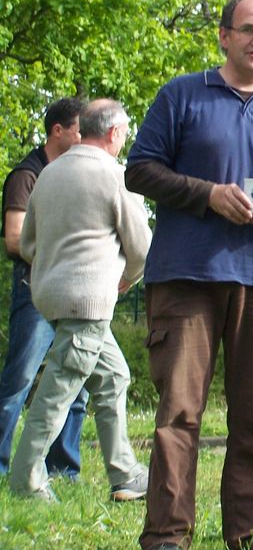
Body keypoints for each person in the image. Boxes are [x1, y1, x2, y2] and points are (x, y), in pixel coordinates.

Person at [126, 0, 253, 550]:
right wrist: (208, 195)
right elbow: (139, 171)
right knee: (179, 414)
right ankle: (167, 536)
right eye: (248, 29)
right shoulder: (182, 95)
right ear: (224, 36)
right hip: (185, 276)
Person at [9, 99, 151, 503]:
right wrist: (126, 278)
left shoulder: (48, 173)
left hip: (49, 296)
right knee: (59, 389)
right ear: (114, 133)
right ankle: (25, 482)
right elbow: (142, 247)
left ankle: (125, 474)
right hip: (88, 302)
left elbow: (28, 243)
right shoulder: (115, 176)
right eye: (124, 133)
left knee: (113, 376)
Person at [0, 97, 87, 480]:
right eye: (80, 130)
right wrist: (66, 256)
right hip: (35, 290)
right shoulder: (28, 175)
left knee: (78, 383)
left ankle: (62, 469)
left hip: (75, 293)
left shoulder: (75, 174)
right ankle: (1, 466)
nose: (85, 137)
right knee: (19, 380)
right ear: (58, 130)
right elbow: (14, 238)